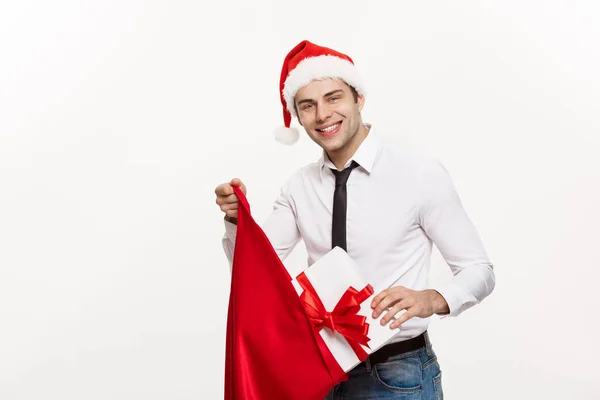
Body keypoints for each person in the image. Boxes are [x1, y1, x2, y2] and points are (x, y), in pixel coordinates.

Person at [215, 40, 495, 399]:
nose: (322, 115)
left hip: (397, 374)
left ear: (358, 99)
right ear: (297, 117)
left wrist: (432, 298)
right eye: (308, 105)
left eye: (334, 98)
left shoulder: (419, 174)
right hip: (317, 370)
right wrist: (239, 222)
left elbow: (479, 270)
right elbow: (255, 271)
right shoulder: (298, 187)